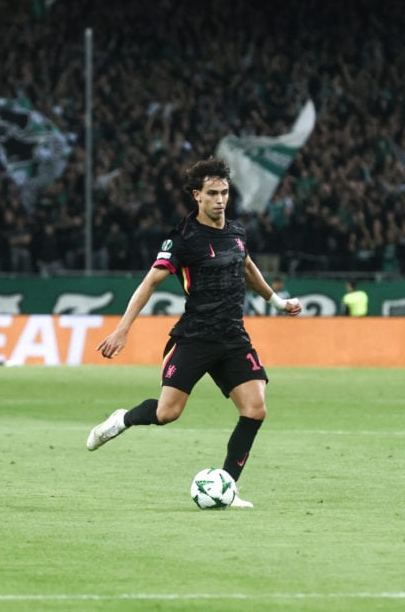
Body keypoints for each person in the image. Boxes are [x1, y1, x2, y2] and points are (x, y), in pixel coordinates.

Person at [87, 157, 302, 508]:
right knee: (166, 414)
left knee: (255, 409)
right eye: (213, 193)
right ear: (196, 196)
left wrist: (277, 302)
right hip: (195, 336)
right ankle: (121, 419)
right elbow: (149, 282)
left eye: (225, 192)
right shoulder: (183, 238)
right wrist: (122, 330)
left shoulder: (236, 232)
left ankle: (227, 487)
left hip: (232, 337)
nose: (220, 200)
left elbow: (247, 266)